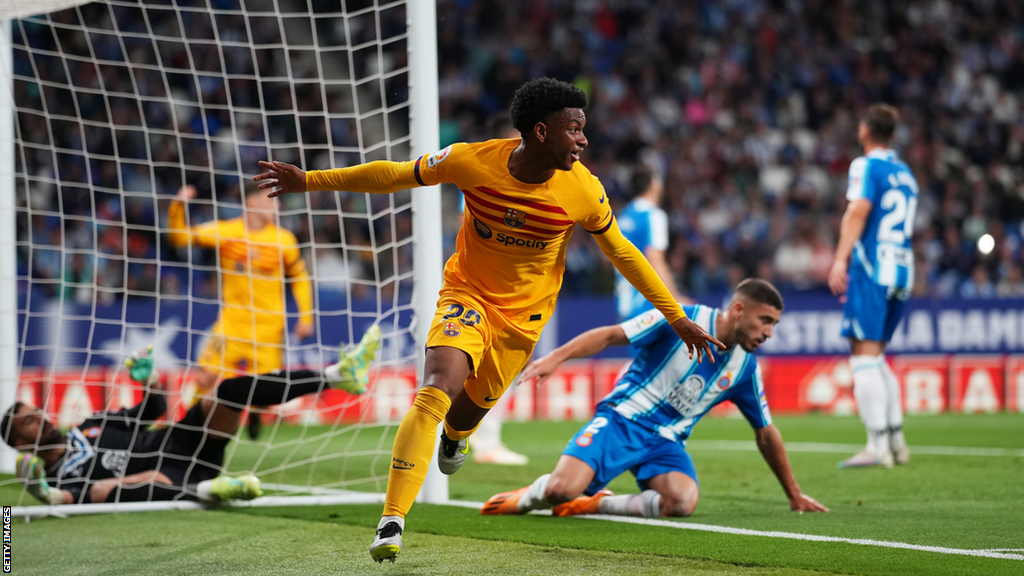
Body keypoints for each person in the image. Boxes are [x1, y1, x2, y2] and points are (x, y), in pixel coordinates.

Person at [254, 77, 725, 564]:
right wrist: (308, 180)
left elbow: (623, 254)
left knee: (463, 416)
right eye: (575, 129)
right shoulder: (472, 160)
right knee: (435, 389)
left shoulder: (583, 189)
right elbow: (392, 173)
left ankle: (457, 438)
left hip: (523, 320)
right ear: (541, 131)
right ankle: (392, 519)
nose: (584, 140)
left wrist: (675, 316)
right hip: (467, 295)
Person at [481, 279, 828, 519]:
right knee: (559, 491)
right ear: (738, 310)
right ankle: (523, 498)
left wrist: (794, 494)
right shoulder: (680, 318)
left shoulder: (745, 369)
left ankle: (596, 504)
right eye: (764, 321)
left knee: (682, 501)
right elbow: (610, 336)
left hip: (665, 442)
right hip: (622, 420)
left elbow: (766, 432)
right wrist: (556, 357)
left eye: (774, 324)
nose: (769, 333)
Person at [1, 330, 379, 506]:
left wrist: (148, 380)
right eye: (30, 422)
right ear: (20, 443)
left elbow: (152, 411)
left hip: (181, 442)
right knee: (106, 490)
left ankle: (334, 376)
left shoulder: (88, 425)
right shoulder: (56, 476)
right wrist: (42, 493)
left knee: (228, 392)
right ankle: (210, 491)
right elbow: (64, 497)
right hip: (164, 478)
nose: (43, 419)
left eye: (38, 413)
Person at [167, 184, 315, 440]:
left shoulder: (284, 239)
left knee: (264, 387)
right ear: (252, 201)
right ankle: (192, 424)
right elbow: (180, 237)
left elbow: (300, 278)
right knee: (206, 376)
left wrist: (306, 316)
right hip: (233, 323)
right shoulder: (227, 232)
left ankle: (256, 414)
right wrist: (177, 207)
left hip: (269, 328)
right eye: (271, 201)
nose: (278, 206)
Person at [828, 104, 917, 468]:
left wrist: (840, 258)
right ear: (892, 135)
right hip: (902, 268)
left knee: (863, 358)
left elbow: (858, 212)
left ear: (864, 131)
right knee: (877, 356)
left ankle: (876, 446)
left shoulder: (865, 165)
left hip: (872, 267)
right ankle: (896, 442)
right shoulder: (905, 172)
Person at [615, 164, 685, 321]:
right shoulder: (653, 215)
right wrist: (675, 298)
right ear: (654, 185)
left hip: (625, 301)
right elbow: (655, 259)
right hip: (648, 303)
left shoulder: (624, 216)